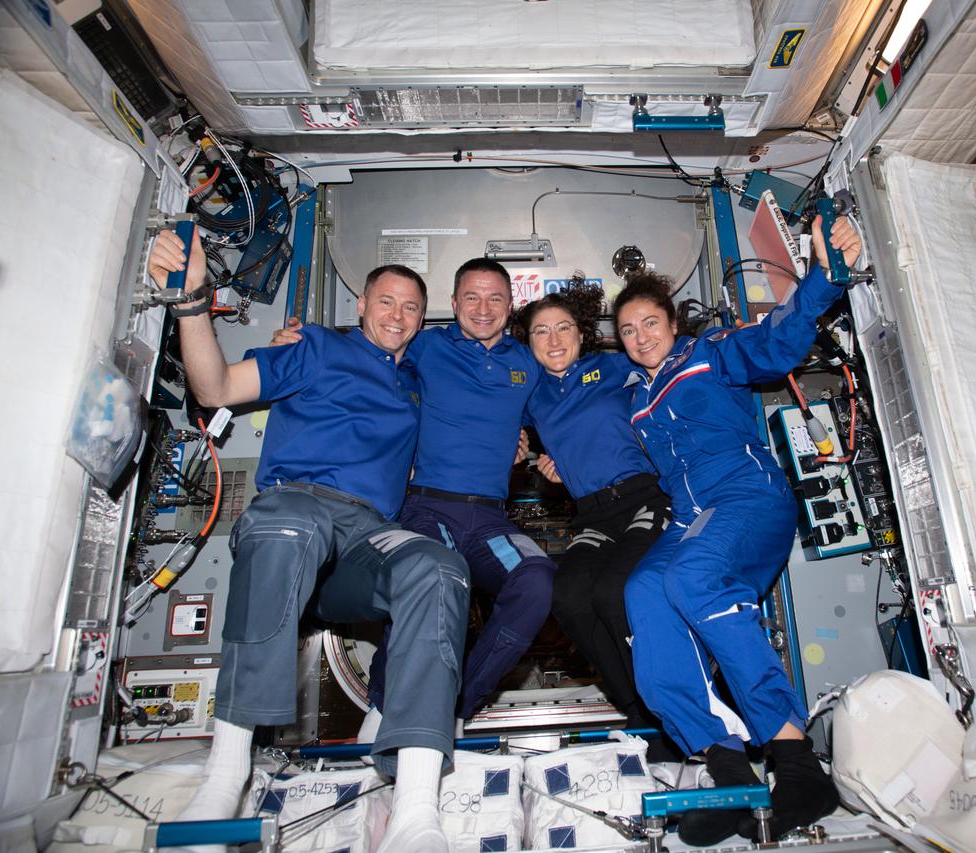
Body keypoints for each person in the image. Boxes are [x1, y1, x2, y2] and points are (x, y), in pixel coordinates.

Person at [148, 230, 469, 853]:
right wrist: (191, 305)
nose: (397, 316)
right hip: (296, 505)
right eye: (386, 302)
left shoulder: (416, 387)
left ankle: (415, 811)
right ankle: (225, 776)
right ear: (360, 307)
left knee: (439, 566)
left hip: (365, 536)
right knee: (290, 526)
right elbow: (215, 389)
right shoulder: (315, 347)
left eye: (410, 307)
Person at [612, 215, 862, 844]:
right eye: (627, 331)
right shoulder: (635, 399)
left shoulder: (712, 354)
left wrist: (826, 275)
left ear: (672, 323)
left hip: (748, 500)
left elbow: (776, 342)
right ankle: (725, 767)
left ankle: (796, 763)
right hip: (691, 517)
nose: (641, 337)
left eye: (650, 323)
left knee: (695, 576)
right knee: (644, 593)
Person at [276, 258, 555, 727]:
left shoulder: (527, 363)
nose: (483, 308)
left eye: (495, 298)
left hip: (490, 521)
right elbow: (366, 353)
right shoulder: (425, 346)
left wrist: (535, 449)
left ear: (511, 306)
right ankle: (383, 712)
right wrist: (297, 346)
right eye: (471, 297)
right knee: (426, 583)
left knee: (537, 580)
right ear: (453, 304)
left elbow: (559, 410)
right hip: (429, 510)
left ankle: (457, 706)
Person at [510, 283, 676, 759]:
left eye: (564, 327)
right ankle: (636, 710)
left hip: (644, 494)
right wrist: (536, 455)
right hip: (592, 512)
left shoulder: (614, 365)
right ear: (529, 342)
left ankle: (666, 705)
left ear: (582, 334)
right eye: (541, 331)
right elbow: (503, 428)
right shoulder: (533, 396)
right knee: (568, 597)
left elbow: (667, 357)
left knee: (613, 593)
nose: (555, 338)